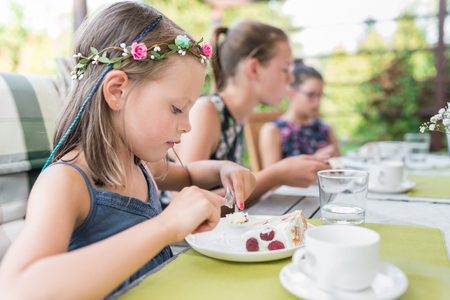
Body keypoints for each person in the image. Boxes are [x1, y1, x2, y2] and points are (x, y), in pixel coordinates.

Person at [0, 2, 256, 299]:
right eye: (176, 109)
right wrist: (165, 226)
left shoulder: (139, 165)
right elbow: (15, 288)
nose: (187, 126)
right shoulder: (67, 183)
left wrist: (224, 169)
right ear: (117, 91)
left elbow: (187, 176)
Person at [172, 21, 330, 208]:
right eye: (284, 68)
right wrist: (275, 175)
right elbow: (185, 205)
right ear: (254, 69)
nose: (291, 78)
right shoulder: (206, 111)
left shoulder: (237, 115)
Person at [259, 59, 340, 168]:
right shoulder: (273, 131)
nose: (318, 101)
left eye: (320, 95)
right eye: (311, 94)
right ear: (291, 93)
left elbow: (341, 169)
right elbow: (270, 182)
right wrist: (314, 160)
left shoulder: (325, 129)